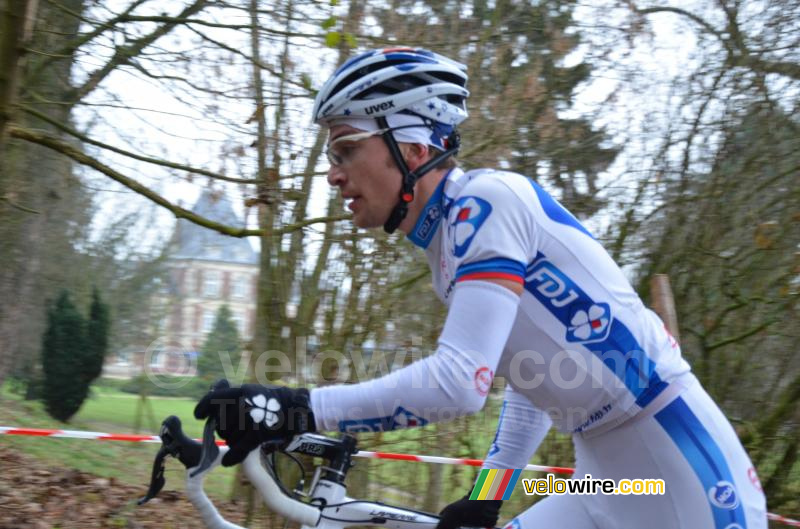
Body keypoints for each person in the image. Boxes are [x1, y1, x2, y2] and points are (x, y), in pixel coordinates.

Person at [194, 47, 768, 529]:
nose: (333, 173)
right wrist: (488, 495)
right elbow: (533, 380)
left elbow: (458, 384)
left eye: (346, 149)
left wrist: (296, 410)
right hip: (617, 479)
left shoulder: (484, 206)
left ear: (413, 148)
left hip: (683, 474)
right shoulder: (450, 246)